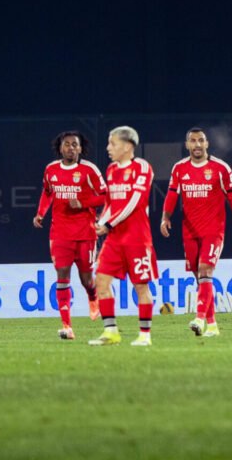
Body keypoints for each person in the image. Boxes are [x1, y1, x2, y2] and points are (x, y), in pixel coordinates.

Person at [161, 128, 232, 337]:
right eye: (193, 141)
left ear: (207, 144)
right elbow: (172, 195)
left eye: (201, 140)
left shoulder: (220, 168)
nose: (197, 144)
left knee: (205, 271)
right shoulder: (179, 168)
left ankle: (199, 319)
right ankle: (212, 326)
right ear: (187, 145)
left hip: (214, 231)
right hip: (189, 232)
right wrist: (165, 218)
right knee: (201, 279)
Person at [34, 131, 107, 340]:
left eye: (75, 144)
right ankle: (67, 326)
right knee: (62, 275)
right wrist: (40, 213)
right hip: (60, 233)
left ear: (80, 148)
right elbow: (47, 192)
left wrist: (83, 203)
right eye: (67, 144)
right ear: (60, 148)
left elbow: (105, 196)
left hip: (85, 233)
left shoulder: (89, 170)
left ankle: (93, 296)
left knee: (86, 279)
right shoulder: (51, 169)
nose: (71, 148)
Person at [88, 126, 158, 347]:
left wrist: (108, 223)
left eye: (113, 143)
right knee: (101, 280)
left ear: (127, 146)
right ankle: (111, 332)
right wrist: (101, 222)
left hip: (137, 238)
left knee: (141, 287)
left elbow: (134, 201)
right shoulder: (111, 170)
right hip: (115, 239)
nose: (108, 148)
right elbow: (110, 203)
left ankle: (145, 335)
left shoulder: (142, 167)